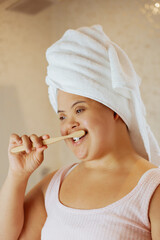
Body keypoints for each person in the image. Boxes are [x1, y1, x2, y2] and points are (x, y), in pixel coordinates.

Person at [0, 25, 160, 240]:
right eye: (62, 116)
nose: (69, 125)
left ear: (114, 109)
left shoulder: (153, 190)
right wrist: (18, 175)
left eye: (79, 109)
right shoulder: (55, 183)